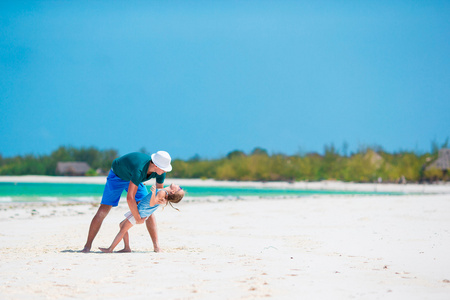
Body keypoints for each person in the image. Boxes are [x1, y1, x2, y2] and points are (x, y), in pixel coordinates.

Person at [81, 151, 172, 253]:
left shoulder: (160, 172)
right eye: (164, 169)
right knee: (103, 210)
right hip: (117, 175)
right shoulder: (139, 169)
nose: (165, 171)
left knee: (149, 211)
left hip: (134, 178)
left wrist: (161, 201)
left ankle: (156, 247)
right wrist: (137, 218)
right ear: (155, 165)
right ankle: (87, 246)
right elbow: (130, 198)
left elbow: (158, 194)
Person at [99, 184, 184, 253]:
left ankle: (110, 249)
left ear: (173, 191)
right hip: (140, 211)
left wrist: (154, 192)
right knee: (121, 225)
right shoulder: (163, 193)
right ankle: (127, 248)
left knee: (123, 229)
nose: (179, 186)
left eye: (179, 188)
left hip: (139, 212)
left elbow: (151, 203)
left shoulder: (162, 192)